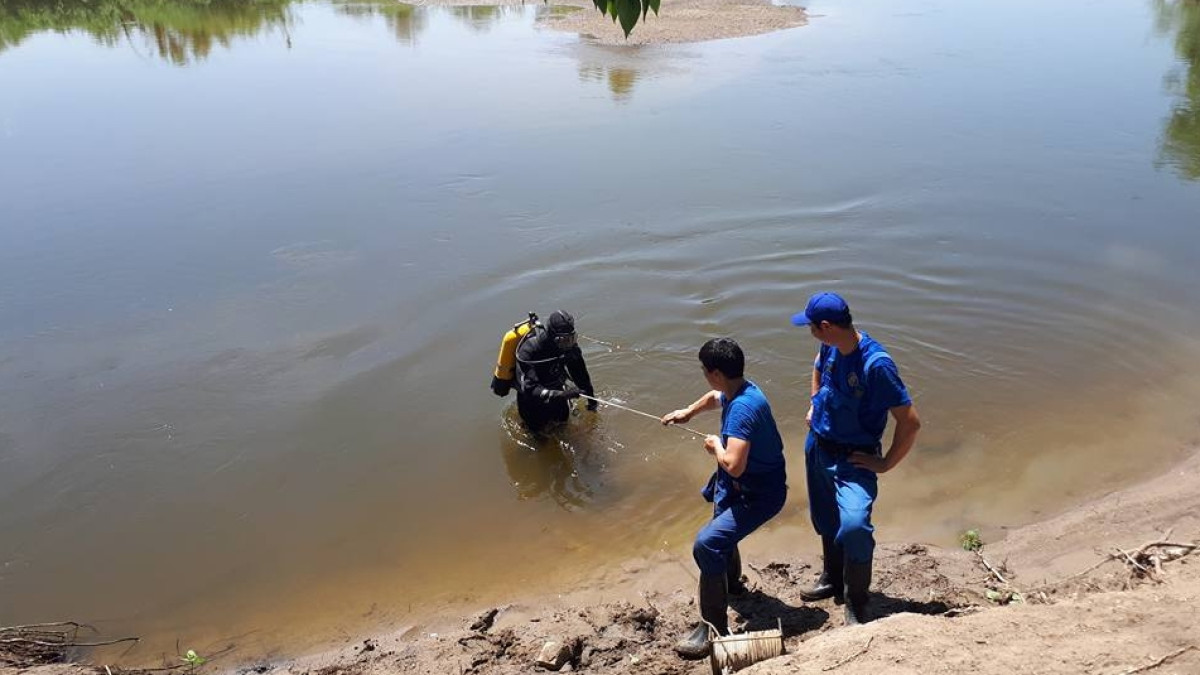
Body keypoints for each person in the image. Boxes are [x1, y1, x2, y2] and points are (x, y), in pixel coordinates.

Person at [791, 292, 921, 625]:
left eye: (811, 327)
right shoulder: (830, 345)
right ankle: (832, 577)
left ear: (825, 326)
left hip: (854, 458)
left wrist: (886, 462)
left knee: (854, 526)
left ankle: (857, 600)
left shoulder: (876, 365)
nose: (810, 333)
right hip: (818, 445)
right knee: (825, 519)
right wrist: (814, 401)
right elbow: (817, 367)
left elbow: (909, 421)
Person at [660, 338, 788, 659]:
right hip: (739, 485)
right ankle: (732, 585)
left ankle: (712, 628)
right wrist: (687, 413)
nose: (705, 375)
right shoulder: (741, 389)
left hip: (760, 493)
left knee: (706, 544)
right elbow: (714, 398)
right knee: (720, 519)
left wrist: (714, 445)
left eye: (705, 370)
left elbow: (733, 463)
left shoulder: (743, 410)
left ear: (715, 372)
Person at [514, 310, 597, 434]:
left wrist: (592, 401)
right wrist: (563, 395)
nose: (569, 344)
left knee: (563, 429)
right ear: (552, 336)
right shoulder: (529, 351)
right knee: (540, 440)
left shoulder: (570, 348)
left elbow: (581, 376)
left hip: (558, 397)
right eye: (564, 340)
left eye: (571, 338)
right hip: (532, 404)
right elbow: (530, 389)